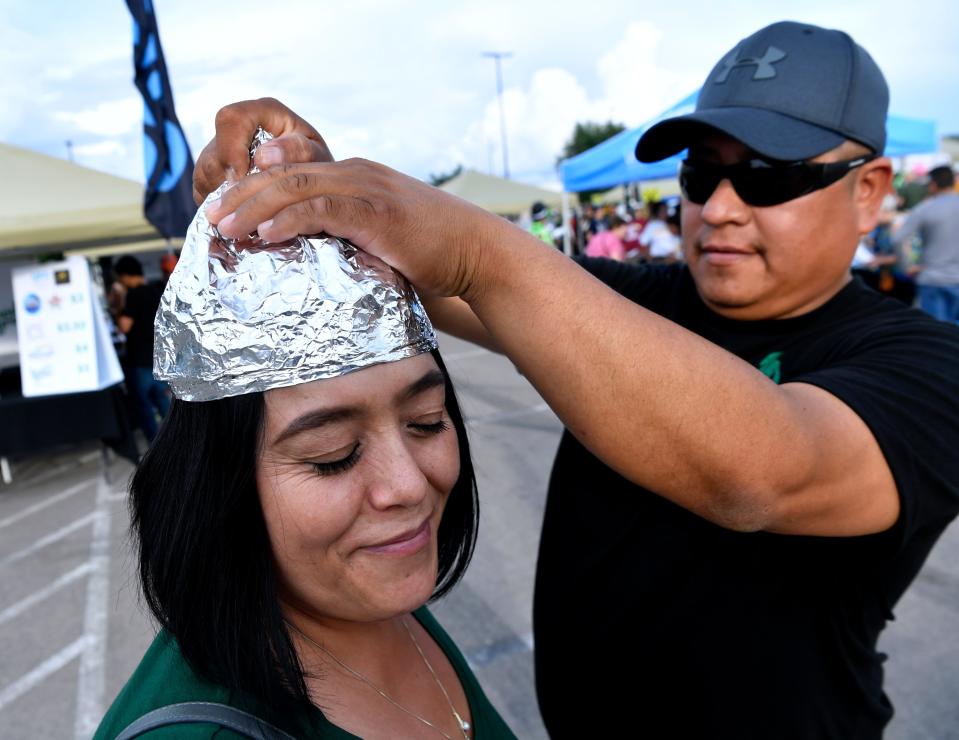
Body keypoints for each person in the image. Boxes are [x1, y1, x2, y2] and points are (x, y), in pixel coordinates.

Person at [197, 22, 959, 739]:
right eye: (700, 175)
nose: (720, 208)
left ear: (868, 191)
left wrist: (481, 250)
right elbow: (427, 277)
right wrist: (313, 191)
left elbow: (768, 472)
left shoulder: (923, 362)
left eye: (769, 177)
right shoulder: (640, 299)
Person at [95, 192, 516, 740]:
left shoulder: (366, 598)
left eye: (426, 422)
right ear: (220, 484)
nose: (409, 485)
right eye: (333, 456)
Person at [113, 255, 170, 442]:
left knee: (144, 405)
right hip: (159, 358)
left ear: (125, 275)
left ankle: (155, 444)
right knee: (163, 402)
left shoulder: (132, 295)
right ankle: (176, 438)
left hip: (139, 360)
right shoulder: (156, 290)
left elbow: (124, 326)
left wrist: (119, 303)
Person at [892, 165, 959, 322]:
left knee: (939, 336)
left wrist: (906, 266)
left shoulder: (925, 209)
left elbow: (898, 239)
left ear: (933, 184)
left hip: (932, 279)